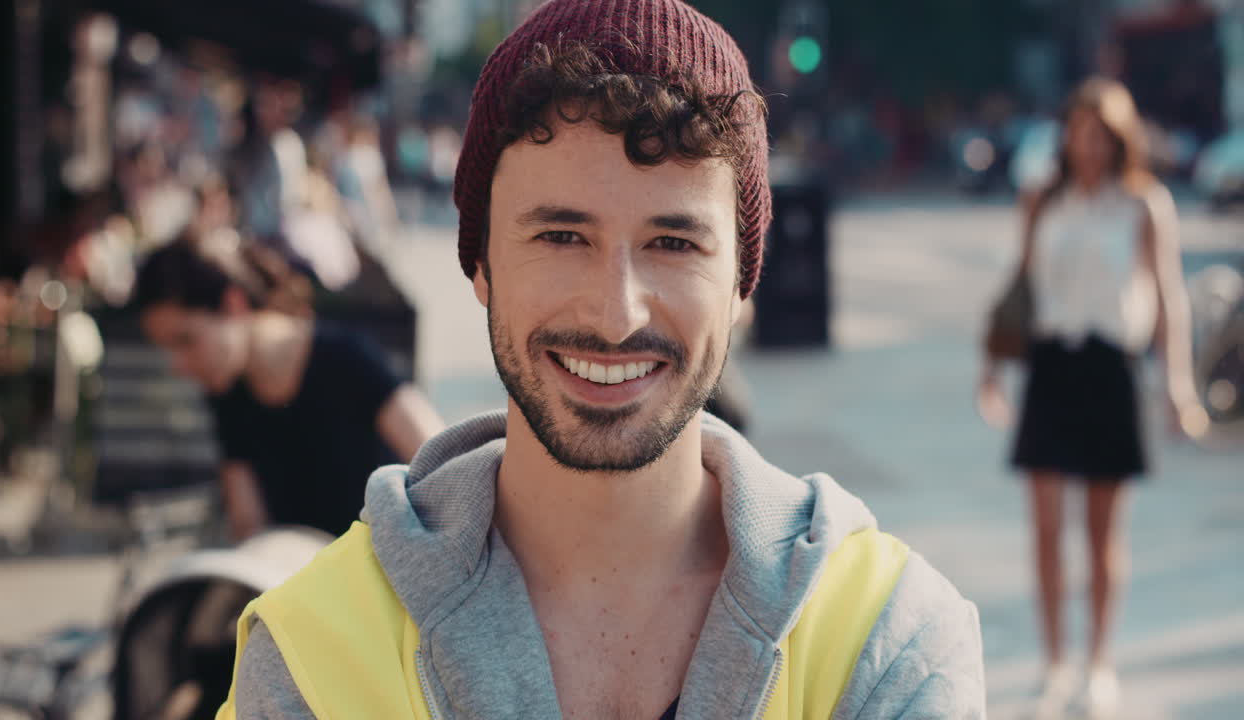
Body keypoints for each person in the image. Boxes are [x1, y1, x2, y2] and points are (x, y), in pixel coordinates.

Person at [220, 2, 985, 718]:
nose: (616, 314)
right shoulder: (309, 657)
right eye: (561, 236)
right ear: (480, 263)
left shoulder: (889, 641)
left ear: (740, 286)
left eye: (673, 243)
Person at [979, 77, 1203, 720]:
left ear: (1119, 139)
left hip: (1112, 371)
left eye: (1102, 134)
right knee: (1047, 531)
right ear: (1066, 135)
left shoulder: (1144, 204)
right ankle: (1054, 663)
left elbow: (1168, 298)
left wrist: (1177, 385)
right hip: (1051, 369)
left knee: (1102, 536)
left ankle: (1098, 664)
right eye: (1080, 131)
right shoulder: (1041, 201)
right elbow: (1018, 286)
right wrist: (991, 366)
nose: (1089, 145)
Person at [134, 239, 444, 540]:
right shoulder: (227, 394)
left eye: (185, 340)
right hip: (301, 574)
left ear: (233, 304)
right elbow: (248, 525)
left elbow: (441, 463)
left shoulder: (346, 358)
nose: (178, 365)